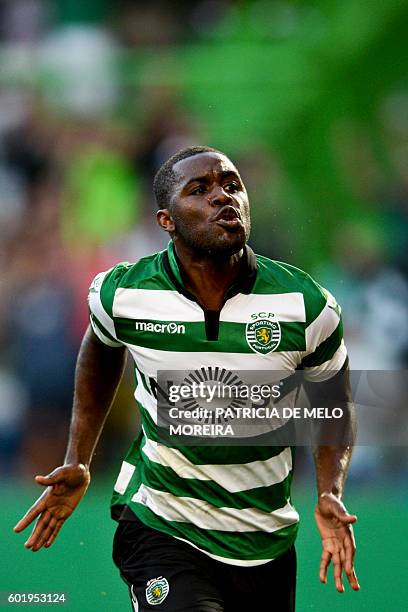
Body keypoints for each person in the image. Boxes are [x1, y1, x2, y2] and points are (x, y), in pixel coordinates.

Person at [14, 146, 360, 611]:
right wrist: (79, 457)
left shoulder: (306, 304)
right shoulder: (125, 293)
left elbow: (333, 400)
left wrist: (329, 491)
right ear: (166, 221)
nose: (223, 197)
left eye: (231, 185)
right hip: (163, 523)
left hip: (265, 539)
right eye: (200, 190)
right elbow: (99, 349)